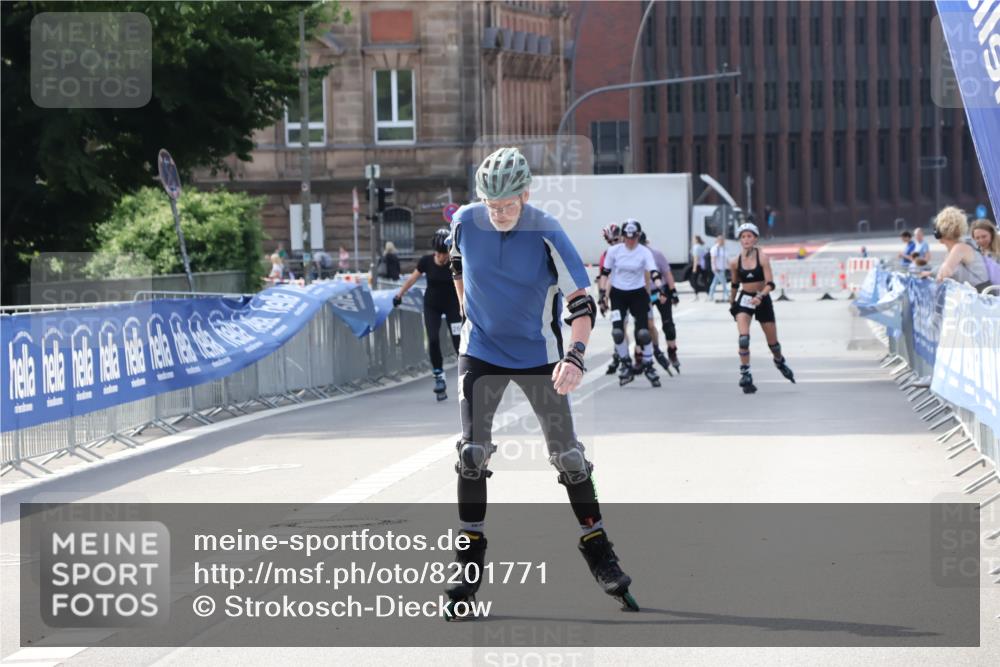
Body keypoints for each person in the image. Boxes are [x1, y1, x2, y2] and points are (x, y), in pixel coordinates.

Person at [444, 146, 638, 616]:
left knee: (569, 458)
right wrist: (468, 314)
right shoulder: (467, 221)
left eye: (509, 205)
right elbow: (455, 263)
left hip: (539, 356)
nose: (500, 214)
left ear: (526, 194)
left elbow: (581, 301)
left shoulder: (546, 228)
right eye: (493, 206)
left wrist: (573, 356)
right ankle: (468, 565)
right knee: (472, 454)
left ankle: (599, 550)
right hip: (482, 352)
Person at [393, 229, 462, 401]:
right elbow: (412, 279)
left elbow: (467, 281)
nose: (442, 258)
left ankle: (466, 375)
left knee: (458, 341)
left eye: (444, 254)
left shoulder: (455, 262)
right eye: (439, 254)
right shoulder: (426, 262)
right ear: (434, 252)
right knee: (432, 339)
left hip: (453, 305)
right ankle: (439, 376)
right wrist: (399, 294)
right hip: (432, 306)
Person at [728, 222, 796, 394]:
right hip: (745, 300)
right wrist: (732, 302)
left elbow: (771, 284)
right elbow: (735, 284)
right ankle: (746, 374)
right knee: (743, 339)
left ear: (755, 238)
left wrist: (760, 296)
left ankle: (779, 361)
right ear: (740, 240)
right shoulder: (735, 262)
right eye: (743, 237)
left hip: (762, 299)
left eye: (749, 236)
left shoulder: (763, 258)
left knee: (772, 343)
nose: (746, 240)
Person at [597, 219, 666, 388]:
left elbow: (654, 272)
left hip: (638, 293)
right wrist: (602, 296)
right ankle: (626, 363)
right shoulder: (613, 251)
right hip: (618, 295)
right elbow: (605, 274)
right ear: (622, 237)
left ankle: (649, 364)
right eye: (627, 237)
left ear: (638, 236)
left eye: (633, 237)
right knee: (618, 332)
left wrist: (661, 289)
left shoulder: (644, 252)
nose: (630, 241)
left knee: (643, 332)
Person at [921, 207, 994, 292]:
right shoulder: (959, 249)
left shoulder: (959, 248)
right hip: (978, 298)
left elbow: (942, 275)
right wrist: (929, 274)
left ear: (940, 231)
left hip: (983, 300)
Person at [640, 231, 681, 374]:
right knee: (645, 326)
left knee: (668, 324)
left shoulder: (656, 254)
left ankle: (672, 350)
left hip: (659, 292)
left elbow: (667, 273)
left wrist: (673, 291)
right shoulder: (633, 257)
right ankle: (654, 349)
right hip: (643, 293)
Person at [597, 223, 626, 375]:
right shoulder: (606, 255)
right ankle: (621, 356)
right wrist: (602, 298)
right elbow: (603, 277)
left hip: (634, 293)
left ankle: (639, 355)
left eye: (616, 240)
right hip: (616, 294)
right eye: (611, 242)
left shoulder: (630, 250)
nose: (614, 244)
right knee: (619, 329)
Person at [708, 235, 728, 302]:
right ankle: (727, 295)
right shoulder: (715, 248)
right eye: (722, 240)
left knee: (714, 282)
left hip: (722, 268)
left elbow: (726, 258)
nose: (723, 241)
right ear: (719, 240)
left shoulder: (723, 248)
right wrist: (714, 267)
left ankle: (710, 295)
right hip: (717, 269)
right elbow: (713, 258)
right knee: (724, 282)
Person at [690, 235, 706, 301]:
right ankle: (708, 293)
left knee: (694, 281)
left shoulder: (696, 247)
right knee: (704, 280)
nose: (692, 241)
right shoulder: (701, 246)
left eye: (693, 239)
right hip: (702, 265)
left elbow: (696, 257)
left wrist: (694, 267)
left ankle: (696, 296)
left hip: (697, 265)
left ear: (696, 240)